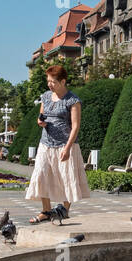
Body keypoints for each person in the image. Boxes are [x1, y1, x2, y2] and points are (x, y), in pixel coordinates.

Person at [26, 65, 90, 223]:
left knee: (66, 178)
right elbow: (41, 117)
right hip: (46, 144)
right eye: (48, 81)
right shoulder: (46, 96)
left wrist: (68, 148)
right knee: (41, 174)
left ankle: (63, 211)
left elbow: (75, 126)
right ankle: (46, 211)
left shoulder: (72, 100)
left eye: (53, 81)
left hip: (65, 145)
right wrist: (40, 122)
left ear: (63, 81)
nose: (49, 84)